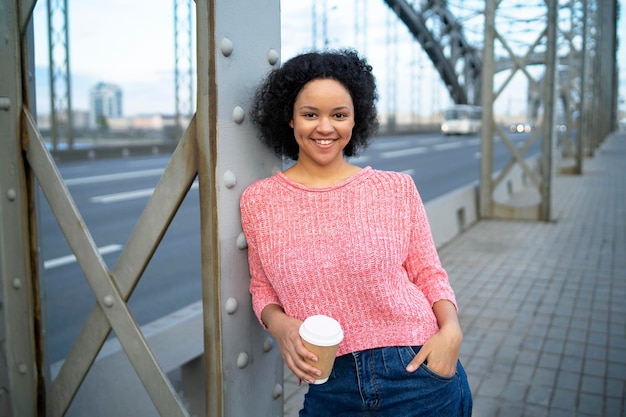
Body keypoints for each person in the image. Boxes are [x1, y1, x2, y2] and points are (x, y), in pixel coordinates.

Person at [240, 49, 472, 416]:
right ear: (289, 118)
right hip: (328, 382)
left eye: (339, 115)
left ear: (355, 119)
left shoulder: (396, 188)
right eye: (310, 114)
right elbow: (262, 287)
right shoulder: (259, 201)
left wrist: (452, 333)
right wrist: (281, 326)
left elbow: (428, 274)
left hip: (416, 370)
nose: (325, 127)